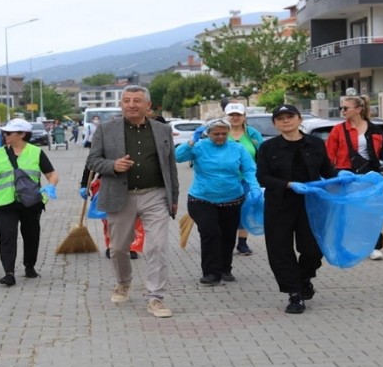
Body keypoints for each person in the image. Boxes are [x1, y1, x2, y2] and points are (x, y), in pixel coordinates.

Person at [86, 85, 179, 318]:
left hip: (155, 195)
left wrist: (174, 197)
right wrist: (113, 166)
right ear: (121, 104)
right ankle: (123, 282)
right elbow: (92, 161)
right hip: (120, 195)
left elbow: (170, 166)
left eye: (137, 100)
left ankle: (156, 297)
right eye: (126, 100)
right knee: (118, 248)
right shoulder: (106, 130)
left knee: (157, 246)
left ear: (148, 106)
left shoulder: (162, 130)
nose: (131, 105)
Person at [255, 104, 338, 314]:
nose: (286, 121)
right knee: (280, 250)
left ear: (300, 119)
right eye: (280, 118)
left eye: (290, 116)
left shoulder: (316, 144)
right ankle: (294, 294)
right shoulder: (268, 148)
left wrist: (343, 179)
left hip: (310, 204)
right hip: (279, 204)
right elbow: (262, 177)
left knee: (312, 249)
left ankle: (304, 278)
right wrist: (288, 185)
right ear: (275, 124)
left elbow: (327, 171)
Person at [175, 118, 261, 285]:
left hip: (232, 198)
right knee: (210, 234)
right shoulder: (199, 147)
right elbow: (178, 157)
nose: (220, 137)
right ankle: (210, 272)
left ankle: (225, 269)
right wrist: (192, 140)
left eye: (224, 133)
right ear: (208, 133)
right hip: (202, 198)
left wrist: (255, 187)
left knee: (228, 236)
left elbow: (249, 170)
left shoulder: (237, 148)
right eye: (216, 134)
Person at [0, 118, 58, 286]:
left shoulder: (35, 152)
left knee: (31, 236)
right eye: (4, 132)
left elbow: (52, 174)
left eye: (9, 133)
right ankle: (8, 273)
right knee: (7, 236)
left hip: (30, 202)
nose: (5, 135)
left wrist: (50, 186)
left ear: (23, 134)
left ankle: (29, 266)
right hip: (4, 202)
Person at [325, 95, 383, 260]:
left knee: (372, 211)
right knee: (346, 211)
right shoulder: (338, 130)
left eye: (345, 108)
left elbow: (381, 151)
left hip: (371, 175)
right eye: (341, 108)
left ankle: (374, 246)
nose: (342, 111)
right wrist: (333, 173)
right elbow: (328, 155)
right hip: (346, 175)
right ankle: (344, 245)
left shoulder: (375, 129)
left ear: (358, 109)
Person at [224, 102, 264, 256]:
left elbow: (262, 153)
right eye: (231, 115)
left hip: (248, 179)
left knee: (246, 209)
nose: (235, 118)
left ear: (244, 116)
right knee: (228, 211)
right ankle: (226, 241)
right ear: (226, 116)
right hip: (226, 180)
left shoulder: (252, 134)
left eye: (238, 115)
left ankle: (242, 243)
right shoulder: (220, 132)